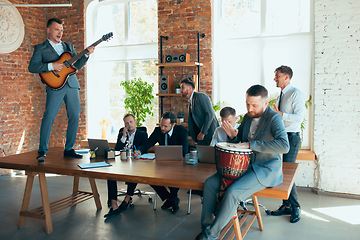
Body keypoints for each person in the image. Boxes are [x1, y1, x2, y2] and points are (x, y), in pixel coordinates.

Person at [195, 85, 289, 240]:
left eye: (254, 105)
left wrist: (251, 144)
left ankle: (210, 236)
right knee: (210, 183)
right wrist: (232, 136)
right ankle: (206, 227)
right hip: (245, 165)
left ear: (265, 104)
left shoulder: (274, 118)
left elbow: (284, 146)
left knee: (233, 193)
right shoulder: (247, 117)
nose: (250, 108)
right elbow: (241, 142)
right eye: (247, 104)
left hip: (266, 169)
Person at [28, 18, 95, 162]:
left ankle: (69, 149)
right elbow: (32, 67)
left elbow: (77, 65)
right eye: (57, 29)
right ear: (49, 30)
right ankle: (42, 151)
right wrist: (51, 66)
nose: (60, 32)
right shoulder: (41, 48)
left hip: (71, 85)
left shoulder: (68, 46)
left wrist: (87, 54)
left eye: (62, 30)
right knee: (49, 117)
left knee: (75, 117)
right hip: (54, 86)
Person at [134, 112, 189, 214]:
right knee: (149, 177)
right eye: (161, 125)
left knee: (173, 176)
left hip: (177, 164)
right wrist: (139, 151)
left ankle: (171, 199)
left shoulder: (181, 131)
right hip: (162, 164)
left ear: (173, 125)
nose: (162, 128)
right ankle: (171, 199)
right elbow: (147, 143)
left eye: (165, 126)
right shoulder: (158, 131)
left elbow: (184, 151)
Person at [270, 65, 305, 223]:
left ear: (287, 77)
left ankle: (295, 207)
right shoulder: (280, 95)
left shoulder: (296, 93)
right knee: (282, 172)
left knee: (288, 172)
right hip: (281, 137)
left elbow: (299, 118)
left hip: (292, 137)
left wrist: (281, 114)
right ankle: (286, 206)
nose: (275, 79)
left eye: (277, 76)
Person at [104, 114, 148, 218]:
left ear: (135, 122)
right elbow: (117, 149)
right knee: (110, 174)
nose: (129, 125)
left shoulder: (142, 134)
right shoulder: (122, 133)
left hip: (136, 162)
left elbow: (145, 147)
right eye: (126, 123)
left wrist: (139, 152)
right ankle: (114, 205)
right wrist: (123, 137)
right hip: (122, 161)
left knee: (134, 172)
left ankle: (127, 199)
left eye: (131, 122)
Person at [180, 77, 219, 146]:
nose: (180, 90)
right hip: (202, 138)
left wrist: (203, 133)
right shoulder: (191, 101)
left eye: (182, 87)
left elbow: (209, 114)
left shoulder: (200, 96)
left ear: (190, 88)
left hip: (210, 136)